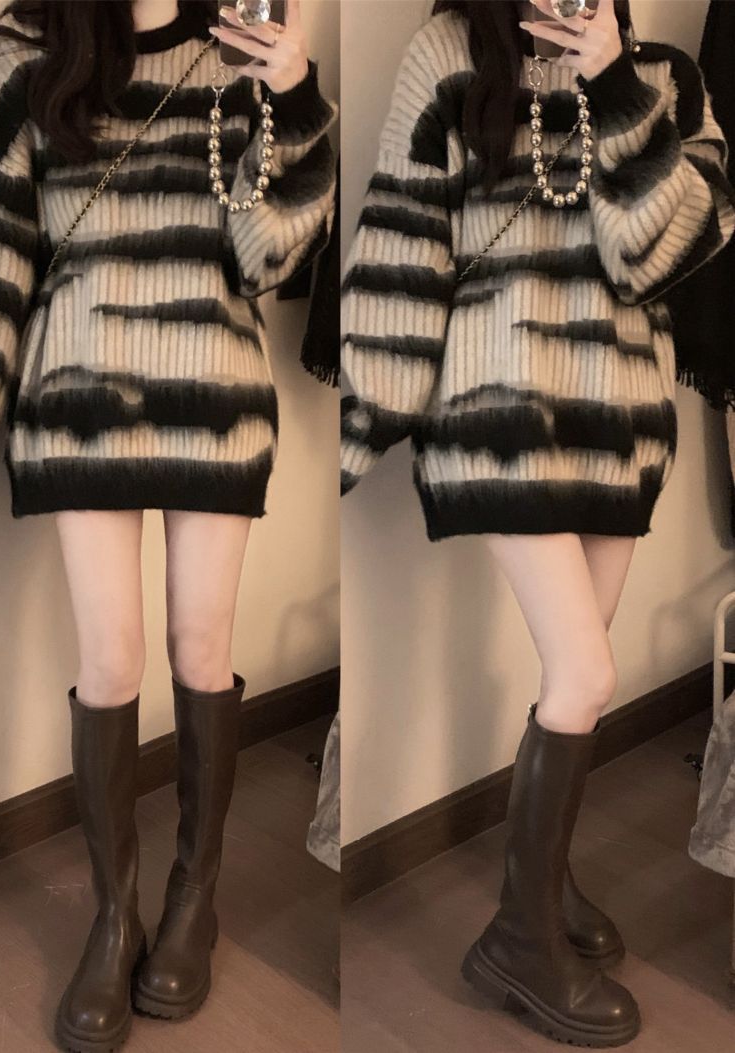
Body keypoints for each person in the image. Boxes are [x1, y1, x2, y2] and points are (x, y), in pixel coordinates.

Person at [339, 0, 735, 1045]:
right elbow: (402, 234)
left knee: (577, 675)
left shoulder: (666, 78)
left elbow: (664, 257)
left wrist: (615, 87)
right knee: (587, 674)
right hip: (497, 404)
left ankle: (540, 890)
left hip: (618, 416)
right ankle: (517, 938)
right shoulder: (447, 51)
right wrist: (363, 420)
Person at [0, 1, 336, 1050]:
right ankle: (114, 913)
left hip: (214, 389)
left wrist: (294, 100)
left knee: (201, 648)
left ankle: (193, 897)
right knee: (110, 660)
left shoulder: (241, 47)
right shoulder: (21, 52)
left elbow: (269, 258)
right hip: (79, 390)